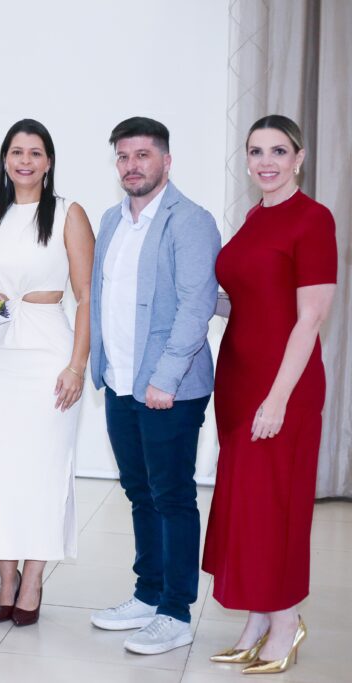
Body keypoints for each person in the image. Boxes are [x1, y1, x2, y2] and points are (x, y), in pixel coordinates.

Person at [202, 115, 337, 675]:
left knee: (277, 505)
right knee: (247, 507)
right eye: (256, 151)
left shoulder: (313, 219)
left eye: (278, 151)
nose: (266, 161)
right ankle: (258, 617)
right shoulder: (256, 217)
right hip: (238, 378)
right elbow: (250, 300)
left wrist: (277, 399)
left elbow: (310, 318)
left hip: (283, 387)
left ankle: (286, 620)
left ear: (299, 158)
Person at [88, 117, 220, 654]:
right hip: (120, 381)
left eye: (143, 155)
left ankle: (175, 611)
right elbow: (101, 299)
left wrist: (164, 378)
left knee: (172, 495)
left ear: (166, 161)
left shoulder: (190, 221)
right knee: (138, 491)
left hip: (170, 388)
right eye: (123, 156)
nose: (132, 166)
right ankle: (147, 593)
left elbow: (196, 306)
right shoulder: (111, 220)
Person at [0, 119, 94, 626]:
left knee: (44, 469)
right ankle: (5, 577)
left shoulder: (69, 213)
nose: (25, 160)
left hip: (50, 353)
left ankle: (36, 575)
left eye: (35, 152)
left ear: (48, 162)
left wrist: (77, 364)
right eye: (16, 151)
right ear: (5, 160)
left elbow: (87, 296)